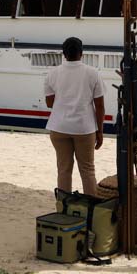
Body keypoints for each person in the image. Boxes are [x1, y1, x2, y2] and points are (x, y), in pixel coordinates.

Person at [43, 37, 105, 195]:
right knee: (87, 170)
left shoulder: (52, 73)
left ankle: (64, 209)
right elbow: (99, 106)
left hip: (59, 127)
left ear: (63, 54)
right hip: (84, 128)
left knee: (63, 170)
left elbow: (50, 103)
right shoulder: (93, 73)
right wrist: (100, 130)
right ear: (81, 53)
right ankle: (91, 209)